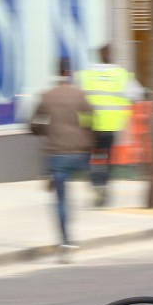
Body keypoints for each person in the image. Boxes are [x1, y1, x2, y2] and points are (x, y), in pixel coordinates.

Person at [30, 58, 94, 261]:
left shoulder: (47, 96)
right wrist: (85, 135)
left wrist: (43, 130)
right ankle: (94, 184)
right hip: (78, 151)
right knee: (76, 183)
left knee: (61, 198)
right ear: (70, 72)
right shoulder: (79, 94)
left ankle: (66, 241)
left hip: (55, 152)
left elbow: (33, 123)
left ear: (56, 72)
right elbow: (91, 117)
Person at [76, 45, 144, 207]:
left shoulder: (85, 75)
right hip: (111, 125)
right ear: (112, 56)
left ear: (98, 56)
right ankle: (104, 186)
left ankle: (95, 183)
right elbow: (137, 95)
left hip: (88, 125)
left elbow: (75, 96)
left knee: (89, 157)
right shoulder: (121, 75)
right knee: (106, 158)